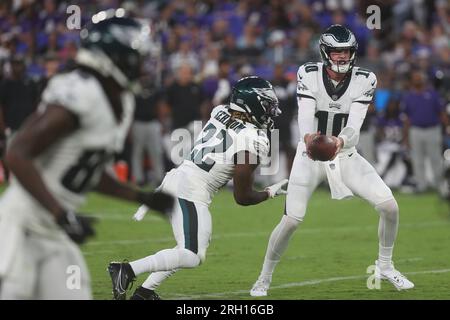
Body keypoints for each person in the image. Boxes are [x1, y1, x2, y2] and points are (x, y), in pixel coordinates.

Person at [0, 12, 173, 300]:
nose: (144, 65)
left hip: (56, 233)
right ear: (115, 57)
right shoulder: (80, 90)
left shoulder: (123, 101)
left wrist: (141, 197)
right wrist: (61, 214)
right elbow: (17, 153)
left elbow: (85, 171)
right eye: (137, 57)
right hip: (21, 228)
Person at [250, 25, 414, 297]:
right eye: (336, 52)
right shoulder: (308, 73)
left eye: (346, 52)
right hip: (309, 154)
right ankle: (264, 277)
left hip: (344, 154)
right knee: (291, 220)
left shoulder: (365, 79)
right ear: (325, 52)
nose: (341, 57)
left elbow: (355, 124)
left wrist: (338, 142)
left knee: (390, 207)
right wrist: (310, 138)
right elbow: (305, 115)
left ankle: (385, 266)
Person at [107, 76, 289, 300]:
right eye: (267, 105)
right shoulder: (253, 139)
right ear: (252, 105)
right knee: (193, 254)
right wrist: (271, 191)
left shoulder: (220, 111)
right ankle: (126, 270)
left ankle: (144, 293)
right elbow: (242, 197)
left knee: (188, 248)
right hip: (191, 189)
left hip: (180, 179)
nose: (271, 111)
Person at [401, 70, 448, 193]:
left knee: (436, 158)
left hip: (433, 129)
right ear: (412, 81)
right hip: (415, 130)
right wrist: (405, 137)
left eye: (419, 78)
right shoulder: (409, 97)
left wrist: (447, 127)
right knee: (417, 159)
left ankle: (440, 185)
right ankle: (421, 185)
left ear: (423, 80)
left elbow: (442, 113)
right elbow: (406, 118)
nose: (417, 80)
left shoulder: (433, 94)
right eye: (415, 78)